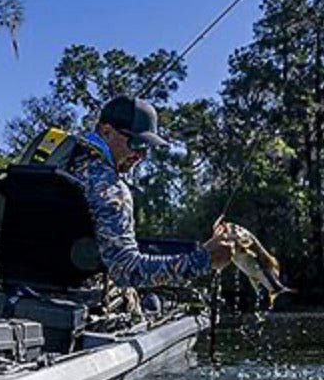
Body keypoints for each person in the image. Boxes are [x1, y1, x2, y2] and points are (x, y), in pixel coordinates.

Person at [64, 95, 232, 287]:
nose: (141, 156)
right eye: (137, 144)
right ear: (106, 131)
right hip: (75, 297)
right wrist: (202, 260)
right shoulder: (110, 188)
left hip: (27, 289)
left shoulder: (59, 159)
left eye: (147, 148)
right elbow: (126, 271)